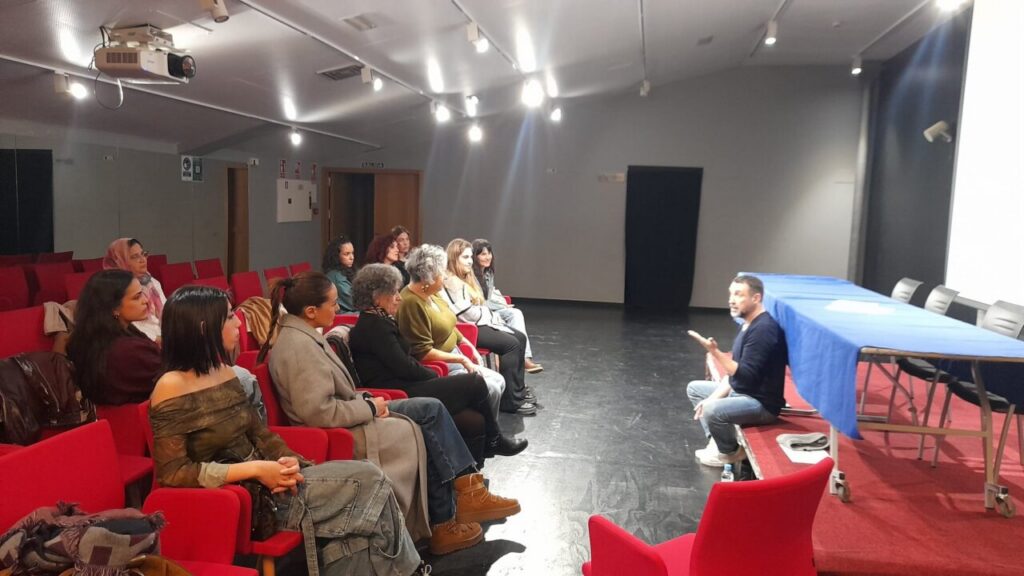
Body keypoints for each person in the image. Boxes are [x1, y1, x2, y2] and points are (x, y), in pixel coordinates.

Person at [147, 285, 425, 576]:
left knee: (358, 520)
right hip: (239, 499)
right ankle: (414, 570)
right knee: (370, 480)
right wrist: (255, 470)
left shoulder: (224, 372)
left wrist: (291, 461)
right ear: (204, 328)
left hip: (269, 482)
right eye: (230, 317)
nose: (239, 322)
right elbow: (173, 473)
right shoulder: (171, 386)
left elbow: (259, 434)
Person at [262, 272, 522, 555]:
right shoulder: (298, 347)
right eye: (334, 304)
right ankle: (445, 520)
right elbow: (318, 413)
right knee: (422, 426)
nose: (339, 310)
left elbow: (335, 397)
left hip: (358, 409)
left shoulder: (306, 336)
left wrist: (369, 400)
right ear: (311, 311)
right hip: (340, 431)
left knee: (431, 408)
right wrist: (371, 406)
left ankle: (468, 491)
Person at [348, 264, 528, 466]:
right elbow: (404, 366)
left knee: (474, 419)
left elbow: (404, 363)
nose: (399, 297)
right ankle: (494, 440)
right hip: (398, 390)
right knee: (475, 383)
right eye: (393, 293)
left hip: (403, 383)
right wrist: (434, 377)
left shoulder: (378, 321)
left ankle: (472, 477)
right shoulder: (375, 327)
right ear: (377, 298)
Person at [686, 274, 788, 467]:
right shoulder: (749, 324)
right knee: (696, 389)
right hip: (742, 392)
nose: (731, 300)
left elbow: (745, 375)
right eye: (731, 294)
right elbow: (734, 376)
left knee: (711, 410)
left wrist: (715, 352)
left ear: (756, 298)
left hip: (761, 404)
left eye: (739, 294)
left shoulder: (764, 330)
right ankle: (717, 442)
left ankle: (730, 452)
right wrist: (713, 397)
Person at [397, 245, 507, 420]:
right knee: (491, 387)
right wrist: (462, 359)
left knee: (499, 381)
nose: (445, 277)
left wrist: (467, 345)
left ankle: (488, 433)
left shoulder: (432, 294)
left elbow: (450, 324)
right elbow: (422, 353)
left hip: (454, 355)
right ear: (429, 278)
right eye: (442, 273)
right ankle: (484, 435)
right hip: (441, 364)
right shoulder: (412, 303)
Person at [443, 239, 536, 416]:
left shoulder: (468, 278)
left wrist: (491, 316)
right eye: (465, 257)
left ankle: (518, 390)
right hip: (467, 328)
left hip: (480, 322)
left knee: (520, 338)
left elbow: (481, 303)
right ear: (454, 258)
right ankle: (510, 401)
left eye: (471, 257)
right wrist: (492, 316)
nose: (470, 261)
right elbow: (465, 313)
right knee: (511, 345)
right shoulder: (451, 281)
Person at [67, 269, 161, 405]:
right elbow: (169, 377)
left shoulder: (91, 337)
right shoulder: (126, 350)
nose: (146, 301)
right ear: (114, 308)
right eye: (137, 297)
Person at [471, 238, 543, 373]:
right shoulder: (471, 276)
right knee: (509, 320)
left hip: (491, 310)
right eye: (483, 254)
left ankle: (525, 358)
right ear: (474, 256)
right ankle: (518, 362)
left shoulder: (488, 272)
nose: (488, 257)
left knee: (515, 313)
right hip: (480, 315)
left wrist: (502, 305)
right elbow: (481, 301)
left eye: (489, 253)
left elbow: (490, 295)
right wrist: (500, 306)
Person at [102, 237, 166, 341]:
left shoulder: (152, 282)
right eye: (135, 257)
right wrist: (158, 339)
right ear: (120, 260)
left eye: (143, 254)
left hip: (161, 333)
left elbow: (166, 313)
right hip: (138, 336)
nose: (142, 260)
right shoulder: (114, 288)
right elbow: (128, 326)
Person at [322, 235, 357, 313]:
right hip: (345, 318)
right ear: (336, 256)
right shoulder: (337, 277)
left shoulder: (343, 272)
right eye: (346, 254)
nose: (352, 257)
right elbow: (355, 302)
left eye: (352, 253)